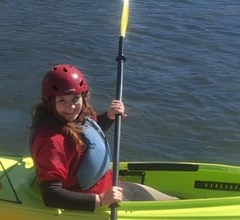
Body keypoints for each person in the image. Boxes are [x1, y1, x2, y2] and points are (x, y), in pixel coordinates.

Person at [29, 64, 176, 211]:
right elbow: (51, 195)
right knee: (173, 211)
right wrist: (100, 200)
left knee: (174, 202)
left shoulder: (77, 117)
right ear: (51, 102)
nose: (71, 107)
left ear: (83, 96)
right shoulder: (51, 141)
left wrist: (110, 116)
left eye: (75, 98)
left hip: (112, 186)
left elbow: (91, 133)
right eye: (62, 100)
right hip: (97, 201)